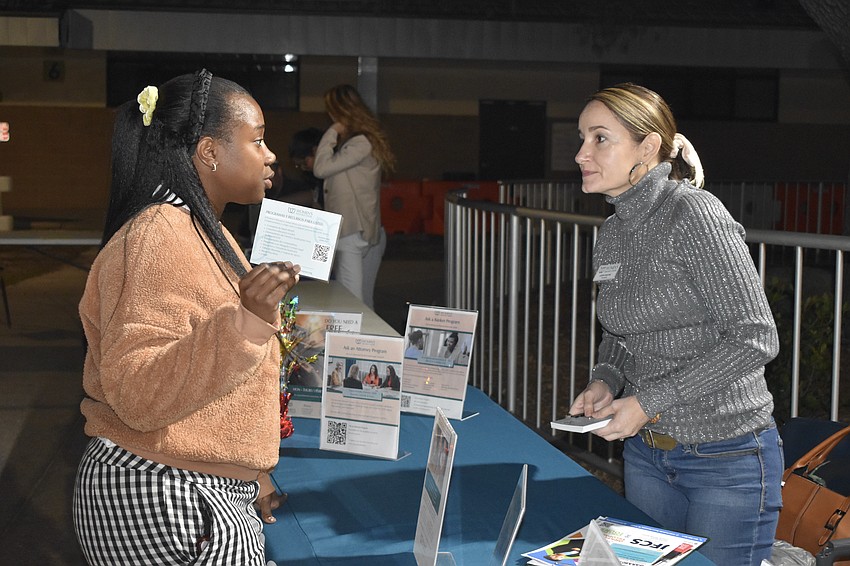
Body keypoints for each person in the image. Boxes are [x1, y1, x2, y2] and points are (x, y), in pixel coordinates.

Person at [72, 69, 299, 565]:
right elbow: (138, 390)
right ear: (209, 151)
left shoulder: (199, 229)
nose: (270, 155)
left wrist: (250, 473)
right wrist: (246, 321)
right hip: (167, 495)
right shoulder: (160, 235)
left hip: (190, 483)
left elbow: (206, 381)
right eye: (257, 141)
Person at [568, 83, 782, 565]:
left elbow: (755, 337)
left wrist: (647, 402)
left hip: (726, 458)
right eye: (581, 137)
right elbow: (621, 331)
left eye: (600, 138)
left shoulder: (694, 213)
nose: (582, 153)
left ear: (647, 147)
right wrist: (607, 378)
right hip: (646, 455)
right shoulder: (614, 230)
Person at [312, 84, 396, 309]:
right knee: (363, 301)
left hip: (351, 230)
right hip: (360, 229)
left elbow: (320, 168)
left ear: (339, 111)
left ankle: (354, 343)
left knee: (351, 302)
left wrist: (332, 130)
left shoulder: (359, 143)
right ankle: (368, 342)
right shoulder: (361, 142)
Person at [289, 126, 325, 209]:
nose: (303, 168)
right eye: (298, 165)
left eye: (304, 163)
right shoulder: (314, 179)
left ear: (316, 151)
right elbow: (312, 196)